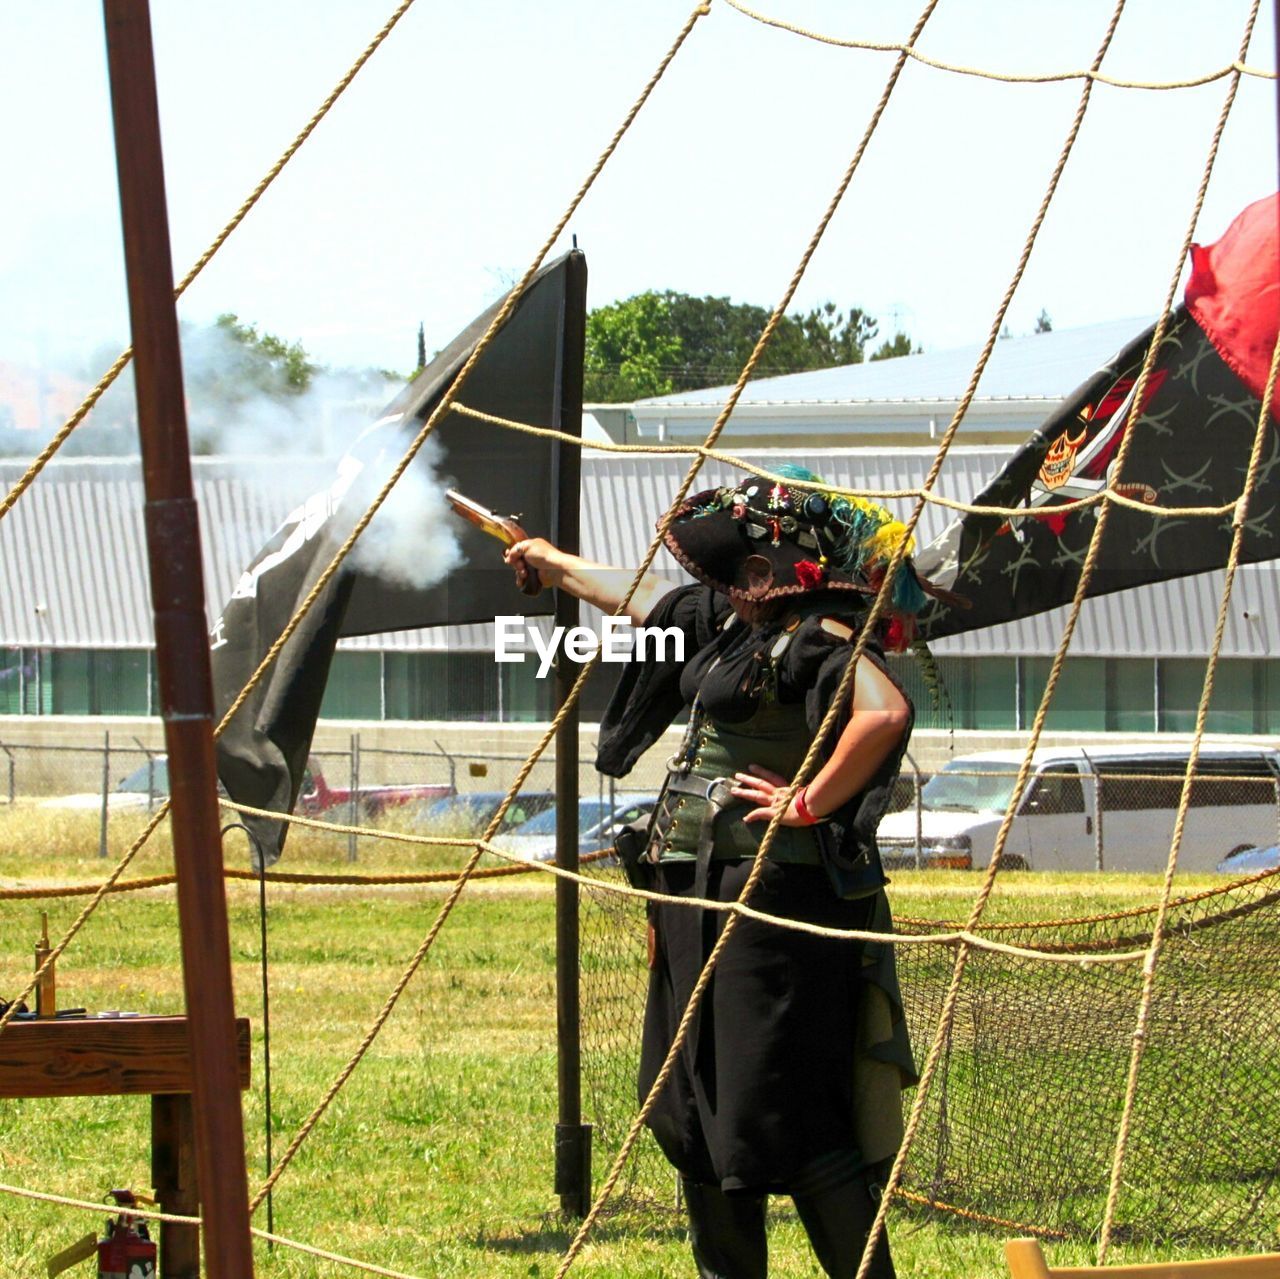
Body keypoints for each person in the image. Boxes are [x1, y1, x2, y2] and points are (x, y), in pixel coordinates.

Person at [505, 465, 926, 1279]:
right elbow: (638, 596)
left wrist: (807, 801)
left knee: (783, 1111)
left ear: (778, 570)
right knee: (692, 1103)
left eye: (745, 564)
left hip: (767, 902)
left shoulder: (819, 635)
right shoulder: (728, 623)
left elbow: (884, 712)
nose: (732, 579)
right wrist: (550, 560)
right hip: (693, 891)